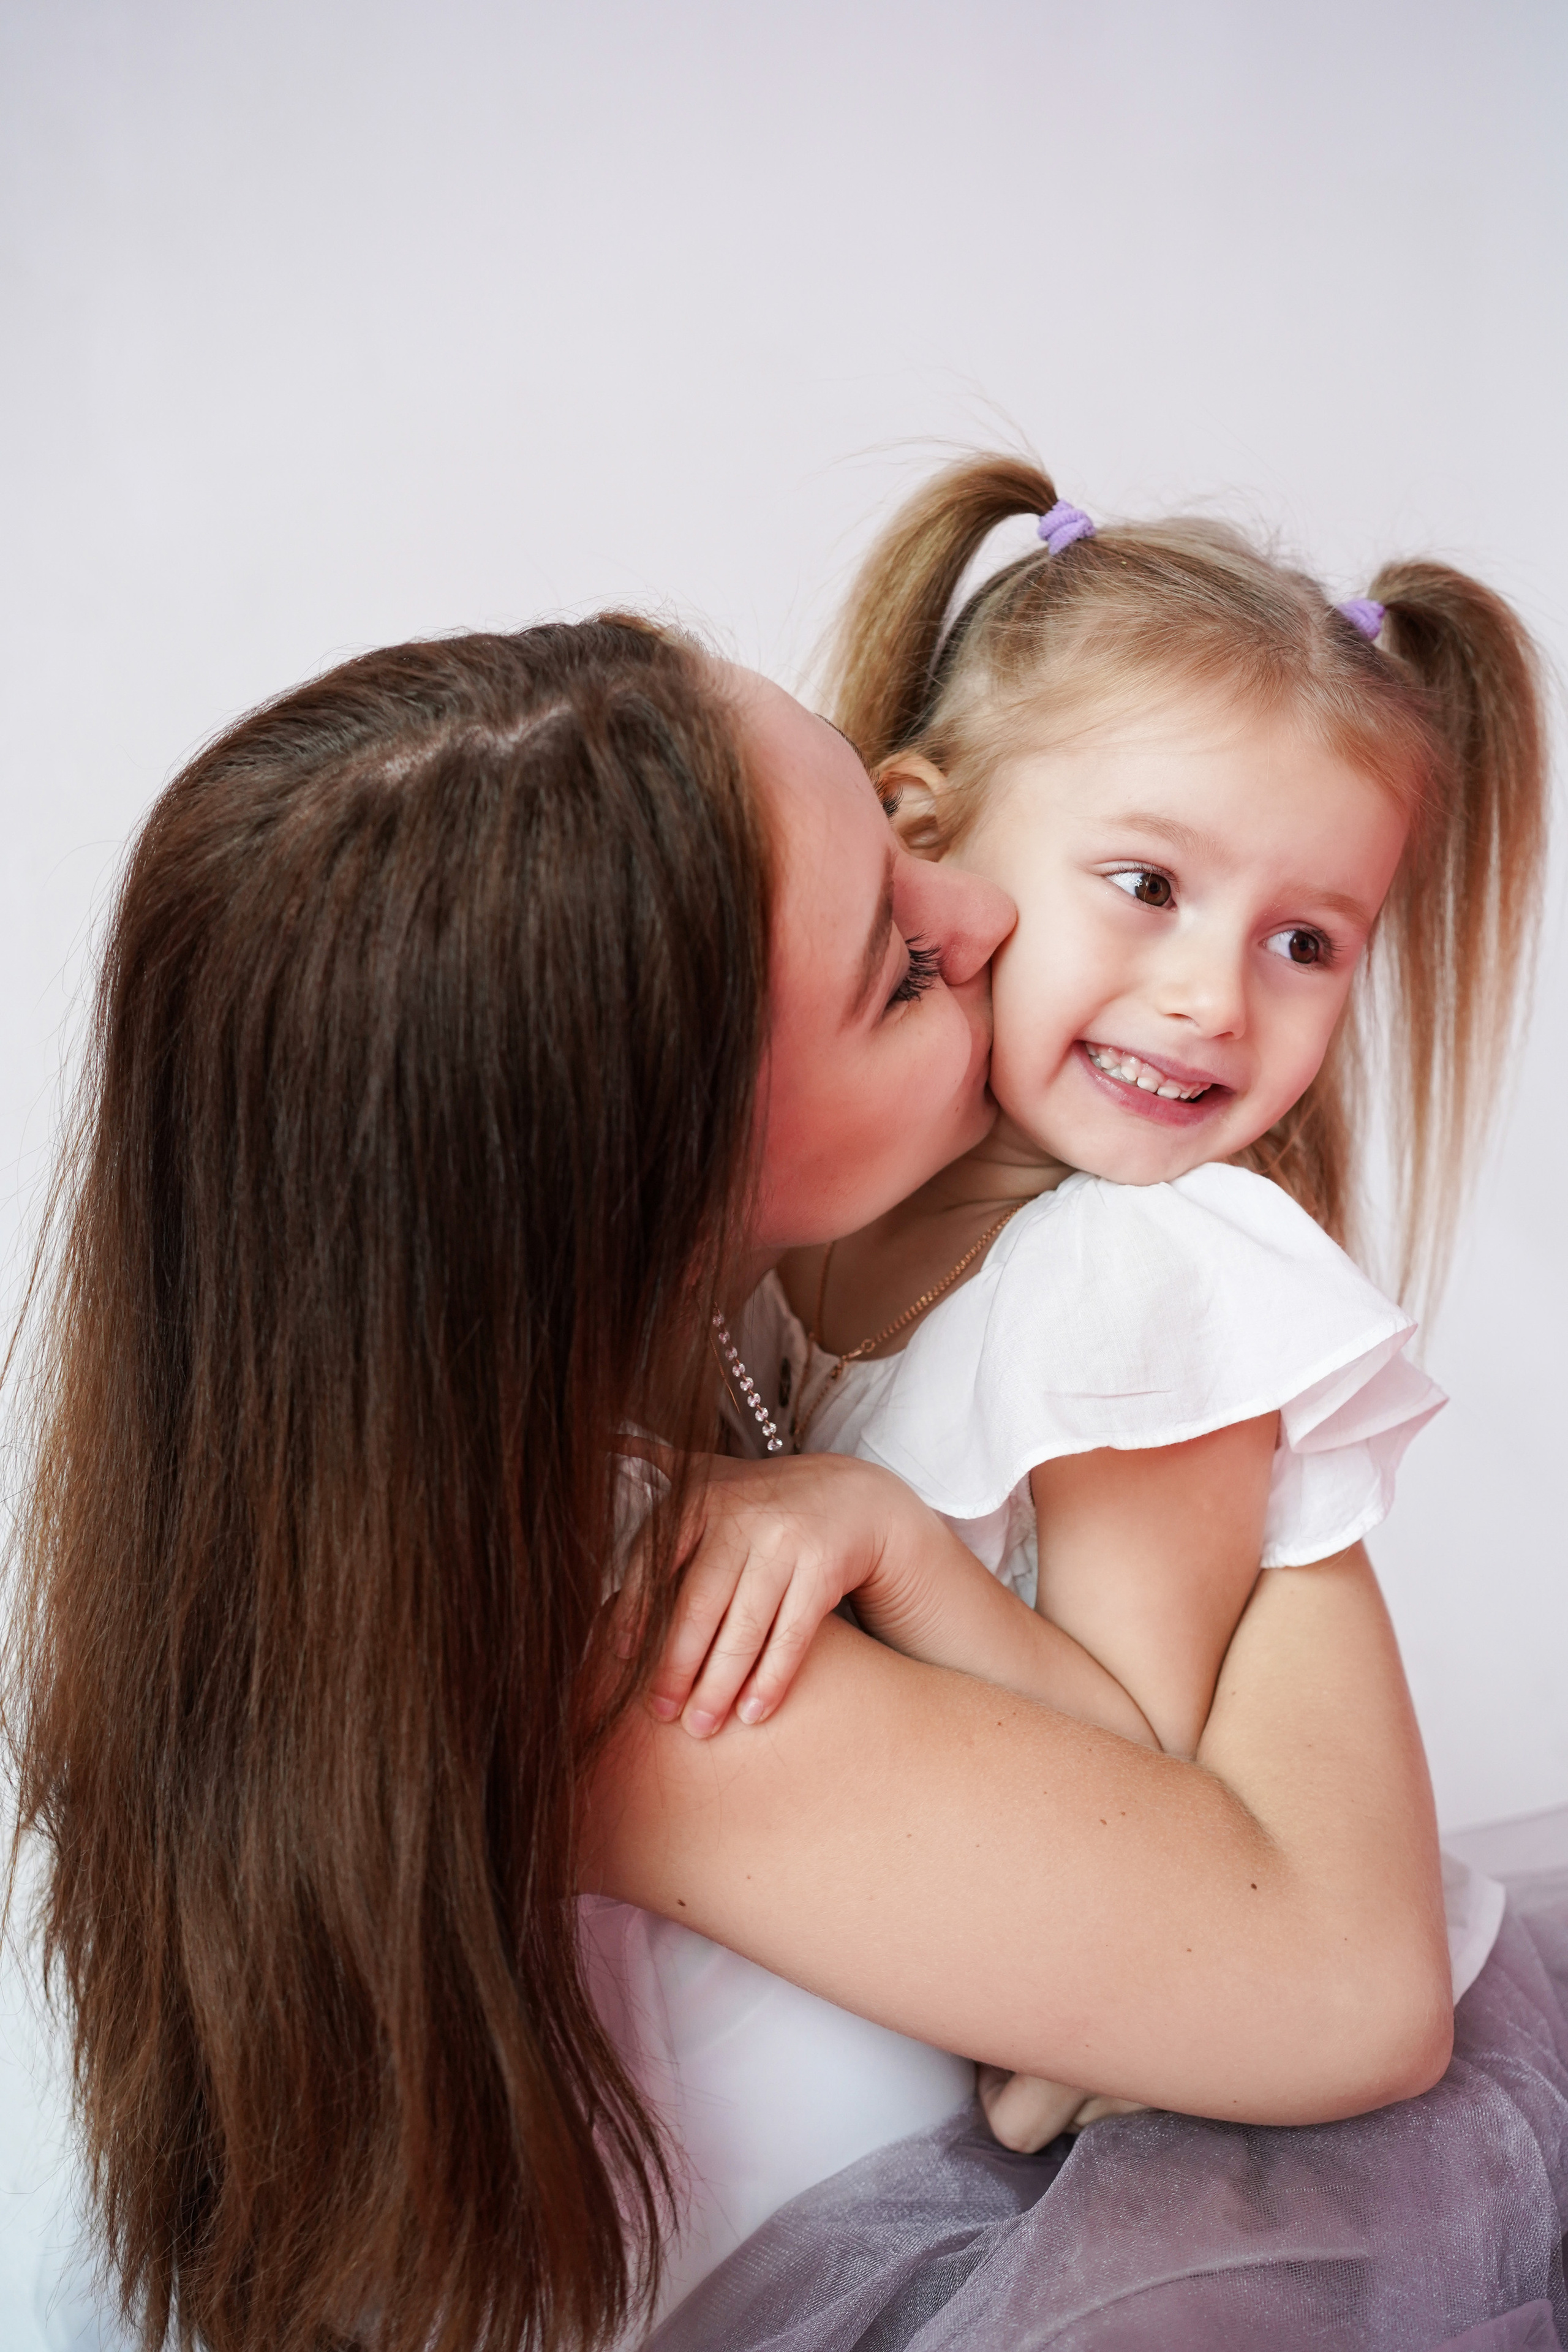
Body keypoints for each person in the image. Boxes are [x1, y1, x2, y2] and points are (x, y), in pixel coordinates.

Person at [0, 615, 1545, 2352]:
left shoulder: (405, 1471)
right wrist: (1268, 1432)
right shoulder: (624, 1652)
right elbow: (1353, 1990)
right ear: (649, 1174)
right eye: (895, 961)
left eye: (904, 838)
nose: (979, 914)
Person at [648, 454, 1548, 2153]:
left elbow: (1139, 1782)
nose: (1215, 997)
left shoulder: (1144, 1270)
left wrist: (888, 1538)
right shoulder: (804, 1239)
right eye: (1147, 886)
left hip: (1180, 2074)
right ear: (923, 844)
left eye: (1310, 942)